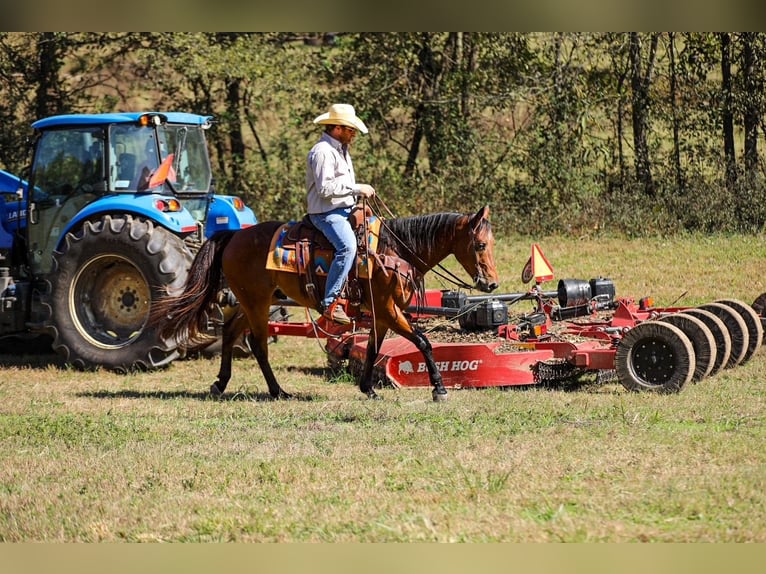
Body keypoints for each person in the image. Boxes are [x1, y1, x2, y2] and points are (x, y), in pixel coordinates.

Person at [307, 103, 376, 324]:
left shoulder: (340, 151)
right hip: (327, 213)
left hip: (343, 208)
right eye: (350, 129)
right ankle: (330, 302)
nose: (353, 133)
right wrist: (357, 189)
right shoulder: (323, 152)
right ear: (337, 128)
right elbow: (325, 190)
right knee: (348, 248)